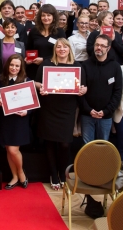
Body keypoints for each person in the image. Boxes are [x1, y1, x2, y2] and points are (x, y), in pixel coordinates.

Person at [35, 38, 87, 189]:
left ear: (69, 49)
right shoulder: (47, 64)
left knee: (65, 144)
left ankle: (63, 173)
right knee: (50, 142)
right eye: (59, 47)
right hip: (49, 108)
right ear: (55, 49)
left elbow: (83, 86)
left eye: (65, 47)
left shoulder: (77, 66)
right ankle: (53, 174)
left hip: (67, 109)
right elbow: (36, 82)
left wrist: (84, 90)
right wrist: (41, 87)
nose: (62, 49)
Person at [0, 54, 30, 189]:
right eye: (12, 65)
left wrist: (27, 112)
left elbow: (33, 103)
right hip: (5, 119)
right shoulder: (1, 79)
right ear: (7, 65)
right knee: (8, 149)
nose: (14, 68)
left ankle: (21, 172)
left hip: (19, 120)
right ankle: (14, 177)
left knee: (13, 149)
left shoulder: (26, 80)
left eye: (17, 66)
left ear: (21, 67)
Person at [79, 34, 123, 143]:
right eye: (97, 45)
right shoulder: (85, 65)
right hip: (87, 115)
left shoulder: (115, 67)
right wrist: (88, 110)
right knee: (87, 147)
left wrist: (106, 111)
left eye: (103, 46)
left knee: (103, 146)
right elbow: (80, 91)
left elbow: (117, 92)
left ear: (108, 48)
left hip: (106, 116)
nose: (99, 47)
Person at [25, 4, 67, 80]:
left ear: (53, 17)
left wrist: (44, 60)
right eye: (43, 15)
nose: (46, 18)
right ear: (40, 17)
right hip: (35, 69)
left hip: (53, 68)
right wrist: (28, 59)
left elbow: (64, 52)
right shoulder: (34, 31)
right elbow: (29, 49)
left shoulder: (60, 32)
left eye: (48, 15)